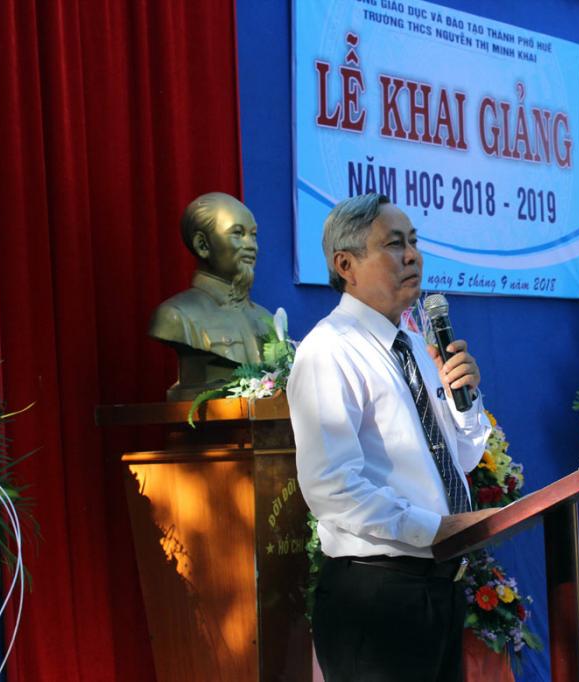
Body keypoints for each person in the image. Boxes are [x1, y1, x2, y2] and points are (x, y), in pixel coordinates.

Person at [287, 193, 496, 682]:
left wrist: (466, 402)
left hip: (438, 591)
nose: (413, 256)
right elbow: (330, 487)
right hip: (377, 597)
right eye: (395, 244)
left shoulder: (415, 346)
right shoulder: (329, 350)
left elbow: (464, 457)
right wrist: (433, 529)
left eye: (415, 242)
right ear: (346, 265)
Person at [148, 192, 272, 396]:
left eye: (253, 235)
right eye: (238, 233)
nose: (251, 246)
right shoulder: (176, 315)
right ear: (203, 245)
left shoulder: (266, 318)